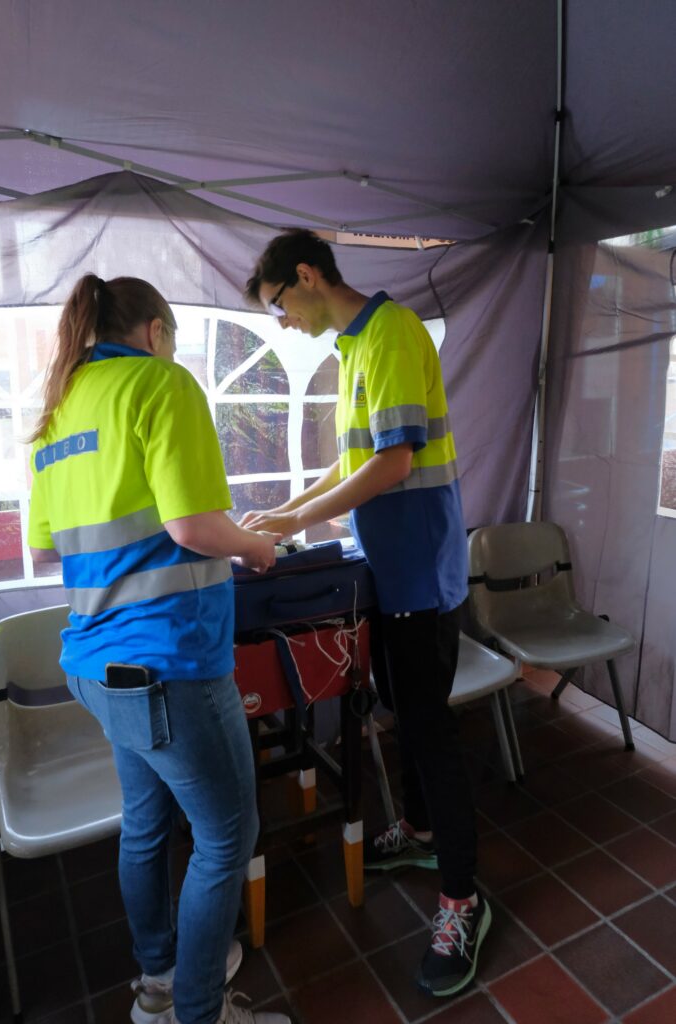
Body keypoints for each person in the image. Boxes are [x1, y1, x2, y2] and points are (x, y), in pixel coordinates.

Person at [27, 274, 290, 1024]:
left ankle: (158, 985)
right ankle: (198, 1012)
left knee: (145, 826)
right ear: (155, 332)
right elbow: (194, 529)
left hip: (96, 667)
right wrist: (256, 546)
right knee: (226, 836)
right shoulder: (160, 384)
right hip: (170, 665)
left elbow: (50, 549)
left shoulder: (57, 412)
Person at [242, 230, 491, 998]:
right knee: (400, 712)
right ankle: (415, 831)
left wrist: (289, 525)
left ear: (307, 276)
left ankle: (462, 900)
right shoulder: (354, 348)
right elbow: (353, 462)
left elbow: (394, 463)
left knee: (427, 727)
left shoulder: (391, 333)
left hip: (420, 568)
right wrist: (286, 510)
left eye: (279, 306)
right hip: (389, 569)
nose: (282, 323)